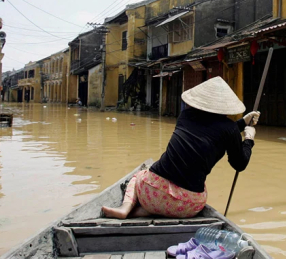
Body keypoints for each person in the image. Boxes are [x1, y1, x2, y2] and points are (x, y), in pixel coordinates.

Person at [101, 76, 260, 219]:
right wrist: (249, 139)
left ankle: (126, 208)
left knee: (138, 176)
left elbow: (209, 132)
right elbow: (239, 163)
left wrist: (241, 123)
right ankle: (147, 210)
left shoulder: (185, 117)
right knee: (196, 187)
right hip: (188, 205)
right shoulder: (230, 130)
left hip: (152, 193)